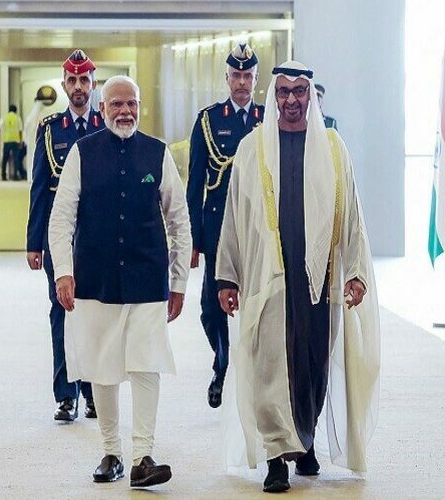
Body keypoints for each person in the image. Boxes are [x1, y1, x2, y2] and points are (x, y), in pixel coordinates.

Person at [216, 61, 380, 493]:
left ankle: (304, 440)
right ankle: (276, 455)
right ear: (274, 96)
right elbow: (233, 215)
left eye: (299, 92)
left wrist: (356, 272)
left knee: (312, 363)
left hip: (318, 280)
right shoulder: (252, 148)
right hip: (267, 278)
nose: (291, 100)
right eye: (284, 92)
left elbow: (352, 215)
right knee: (269, 362)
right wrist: (227, 277)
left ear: (310, 96)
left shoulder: (333, 147)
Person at [48, 75, 191, 488]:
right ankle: (111, 452)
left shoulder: (157, 153)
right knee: (103, 367)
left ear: (140, 107)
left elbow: (179, 220)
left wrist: (179, 281)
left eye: (132, 104)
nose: (125, 111)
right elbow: (61, 218)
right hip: (95, 279)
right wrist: (64, 272)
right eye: (116, 104)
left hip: (147, 277)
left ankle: (143, 457)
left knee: (147, 364)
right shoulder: (82, 152)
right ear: (102, 108)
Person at [26, 49, 105, 422]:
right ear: (63, 85)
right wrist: (33, 242)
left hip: (96, 236)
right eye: (72, 80)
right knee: (61, 310)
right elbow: (39, 187)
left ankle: (92, 392)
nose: (78, 87)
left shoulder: (105, 125)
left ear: (93, 83)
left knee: (93, 313)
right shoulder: (50, 129)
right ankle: (65, 395)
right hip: (58, 236)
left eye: (84, 80)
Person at [186, 43, 264, 408]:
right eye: (236, 76)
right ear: (226, 78)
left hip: (260, 227)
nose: (242, 82)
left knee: (260, 299)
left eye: (248, 76)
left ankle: (255, 370)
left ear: (256, 79)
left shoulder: (268, 119)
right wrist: (192, 239)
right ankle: (222, 364)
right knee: (211, 306)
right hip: (217, 226)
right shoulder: (209, 120)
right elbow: (195, 184)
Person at [0, 104, 23, 181]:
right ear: (15, 111)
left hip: (6, 141)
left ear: (9, 110)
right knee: (15, 159)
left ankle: (3, 176)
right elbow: (20, 130)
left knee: (5, 159)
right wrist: (20, 141)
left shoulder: (5, 117)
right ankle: (15, 176)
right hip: (15, 141)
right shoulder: (18, 118)